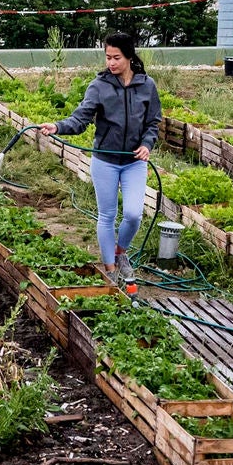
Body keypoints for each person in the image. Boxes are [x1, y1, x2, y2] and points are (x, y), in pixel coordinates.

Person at [39, 33, 160, 286]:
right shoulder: (99, 86)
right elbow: (80, 118)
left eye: (116, 57)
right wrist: (58, 127)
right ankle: (111, 270)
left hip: (133, 162)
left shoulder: (147, 86)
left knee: (134, 214)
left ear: (129, 56)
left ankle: (120, 252)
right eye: (108, 57)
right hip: (104, 160)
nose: (111, 63)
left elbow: (153, 123)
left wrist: (147, 145)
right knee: (107, 215)